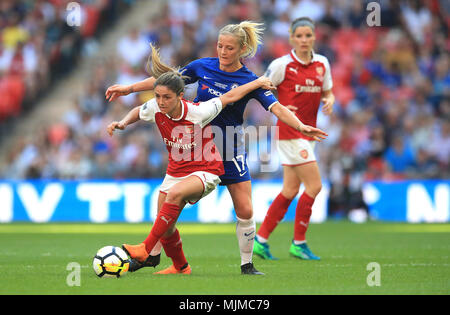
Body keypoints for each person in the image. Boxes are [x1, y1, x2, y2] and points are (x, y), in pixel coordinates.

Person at [105, 21, 328, 274]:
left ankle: (247, 265)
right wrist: (129, 88)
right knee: (167, 207)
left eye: (229, 48)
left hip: (229, 145)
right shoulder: (203, 66)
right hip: (197, 145)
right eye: (220, 46)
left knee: (244, 209)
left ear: (242, 49)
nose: (223, 52)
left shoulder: (249, 79)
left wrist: (300, 126)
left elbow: (276, 108)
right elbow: (168, 82)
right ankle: (154, 256)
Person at [253, 17, 335, 261]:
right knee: (315, 186)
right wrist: (276, 105)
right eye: (298, 36)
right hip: (290, 133)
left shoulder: (322, 63)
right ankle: (299, 243)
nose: (303, 40)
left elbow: (328, 90)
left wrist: (329, 99)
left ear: (314, 37)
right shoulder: (282, 65)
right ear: (291, 38)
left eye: (307, 35)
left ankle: (260, 240)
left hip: (308, 133)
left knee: (290, 189)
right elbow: (262, 87)